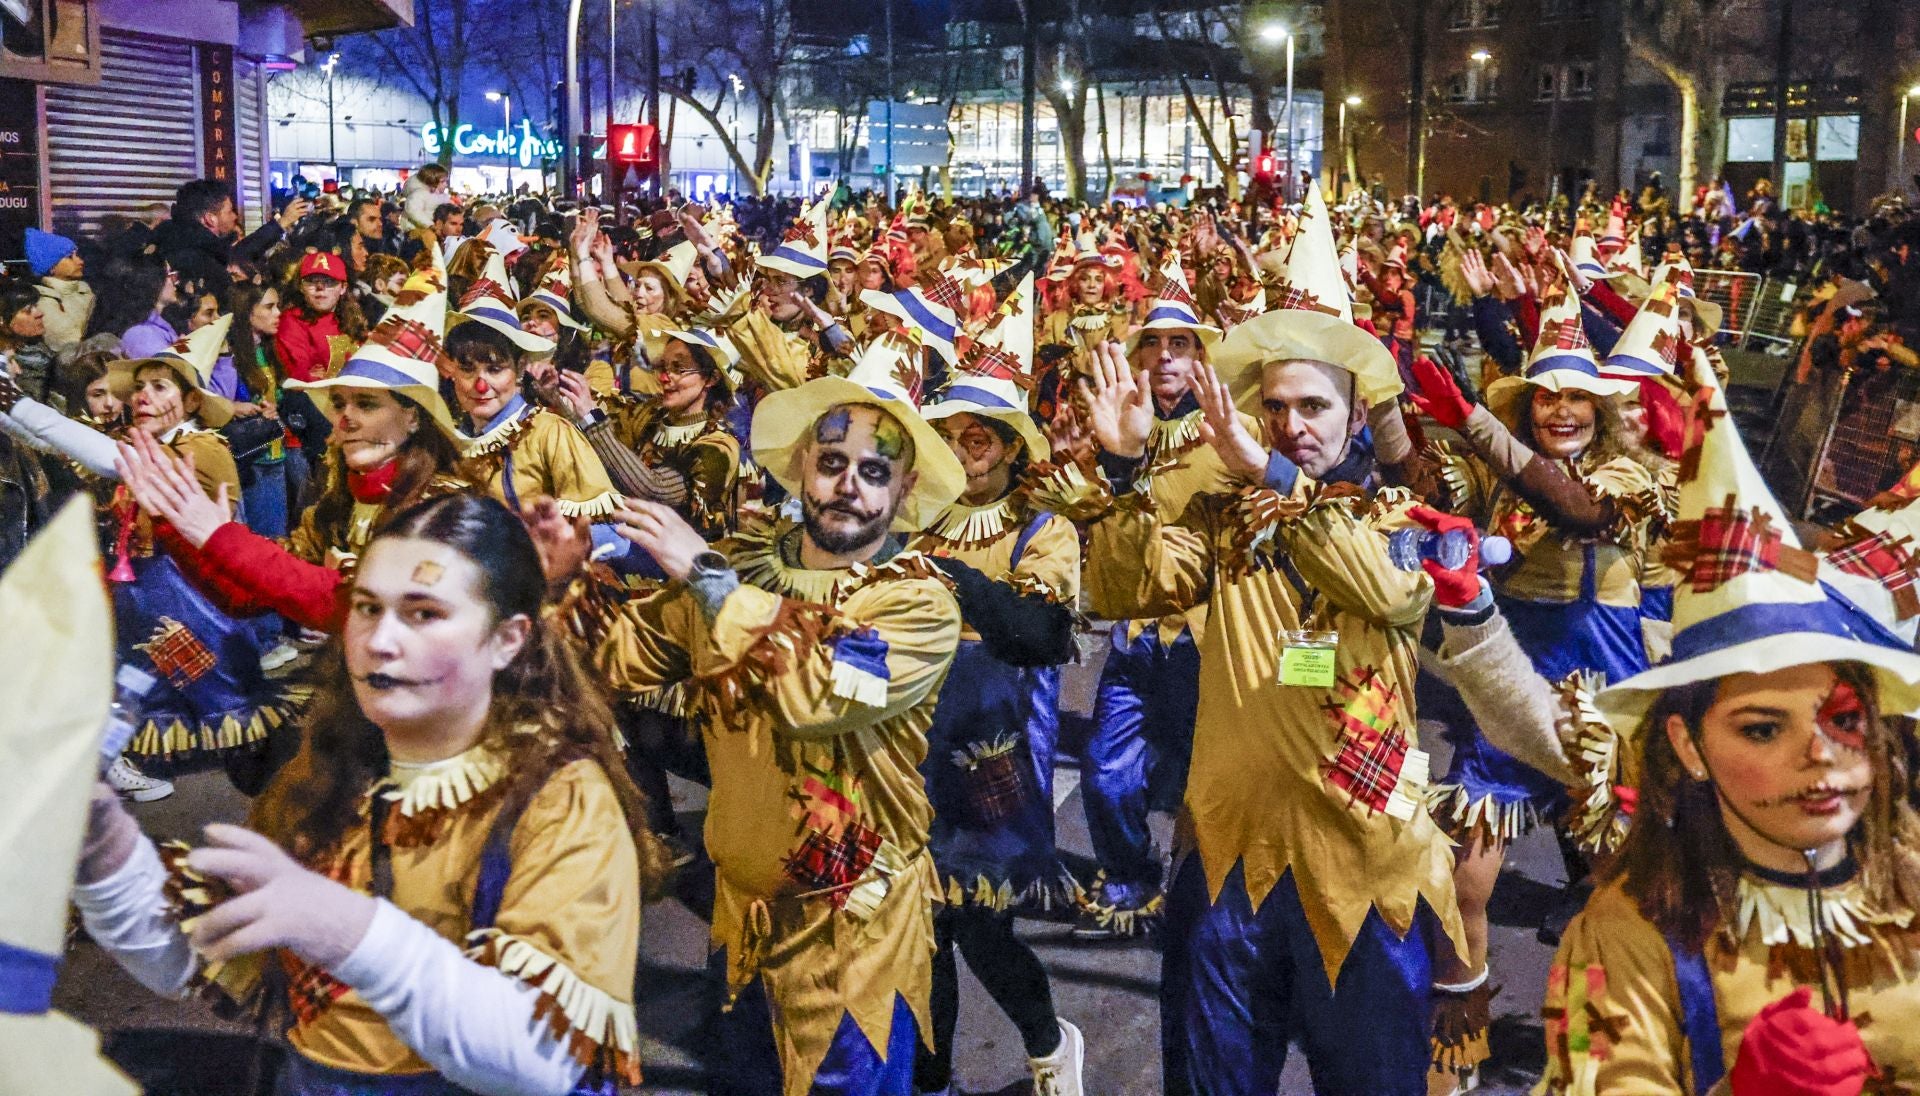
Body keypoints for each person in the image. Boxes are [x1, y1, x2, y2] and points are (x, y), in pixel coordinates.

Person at [1053, 197, 1463, 1092]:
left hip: (1363, 870)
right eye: (1275, 408)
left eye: (1314, 407)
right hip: (1227, 864)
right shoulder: (1222, 518)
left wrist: (1274, 478)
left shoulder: (1400, 518)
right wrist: (1123, 477)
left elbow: (1388, 591)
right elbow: (1125, 588)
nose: (1292, 427)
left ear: (1357, 421)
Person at [72, 492, 660, 1095]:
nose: (381, 640)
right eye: (366, 607)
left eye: (424, 613)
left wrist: (348, 929)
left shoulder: (562, 797)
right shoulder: (328, 772)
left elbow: (543, 1059)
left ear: (508, 639)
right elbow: (201, 957)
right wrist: (103, 845)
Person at [590, 327, 967, 1096]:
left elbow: (821, 693)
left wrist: (706, 575)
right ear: (801, 466)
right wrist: (560, 584)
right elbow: (627, 656)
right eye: (832, 463)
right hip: (741, 926)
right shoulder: (744, 566)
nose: (848, 486)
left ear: (902, 492)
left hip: (851, 938)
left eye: (874, 472)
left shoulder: (915, 603)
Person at [1408, 281, 1668, 1083]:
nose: (1562, 411)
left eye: (1579, 400)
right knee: (1461, 886)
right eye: (1547, 398)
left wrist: (1476, 427)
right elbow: (1418, 485)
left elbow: (1579, 512)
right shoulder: (1492, 474)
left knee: (1622, 908)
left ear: (1604, 411)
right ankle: (1459, 1049)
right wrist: (1386, 408)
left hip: (1609, 714)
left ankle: (1608, 1060)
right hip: (1507, 705)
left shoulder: (1631, 477)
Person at [912, 274, 1087, 1096]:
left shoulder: (1043, 530)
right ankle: (933, 1077)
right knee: (921, 933)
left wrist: (950, 579)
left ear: (1014, 447)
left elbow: (1036, 634)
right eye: (954, 433)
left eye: (984, 435)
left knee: (980, 926)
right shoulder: (910, 518)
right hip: (908, 752)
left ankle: (1051, 1043)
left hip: (994, 757)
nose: (968, 444)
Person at [124, 281, 473, 642]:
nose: (346, 419)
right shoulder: (338, 501)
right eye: (338, 404)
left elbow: (345, 601)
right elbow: (246, 596)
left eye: (367, 404)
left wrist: (222, 537)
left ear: (413, 418)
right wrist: (172, 523)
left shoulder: (446, 507)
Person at [1072, 258, 1236, 939]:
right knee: (1106, 774)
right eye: (1154, 344)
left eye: (1182, 344)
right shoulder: (1112, 429)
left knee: (1209, 788)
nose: (1166, 357)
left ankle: (1205, 895)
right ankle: (1132, 878)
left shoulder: (1231, 436)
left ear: (1201, 356)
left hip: (1209, 640)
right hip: (1135, 636)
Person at [448, 254, 622, 521]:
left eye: (494, 369)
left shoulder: (550, 430)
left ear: (518, 367)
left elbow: (601, 529)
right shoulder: (452, 438)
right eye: (467, 369)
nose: (480, 385)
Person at [154, 179, 308, 290]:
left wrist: (281, 224)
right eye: (229, 211)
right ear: (210, 219)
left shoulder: (193, 243)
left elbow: (240, 252)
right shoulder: (196, 260)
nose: (235, 217)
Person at [26, 226, 94, 360]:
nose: (80, 261)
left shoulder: (85, 290)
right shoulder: (44, 300)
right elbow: (67, 343)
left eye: (77, 255)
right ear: (52, 267)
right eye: (70, 257)